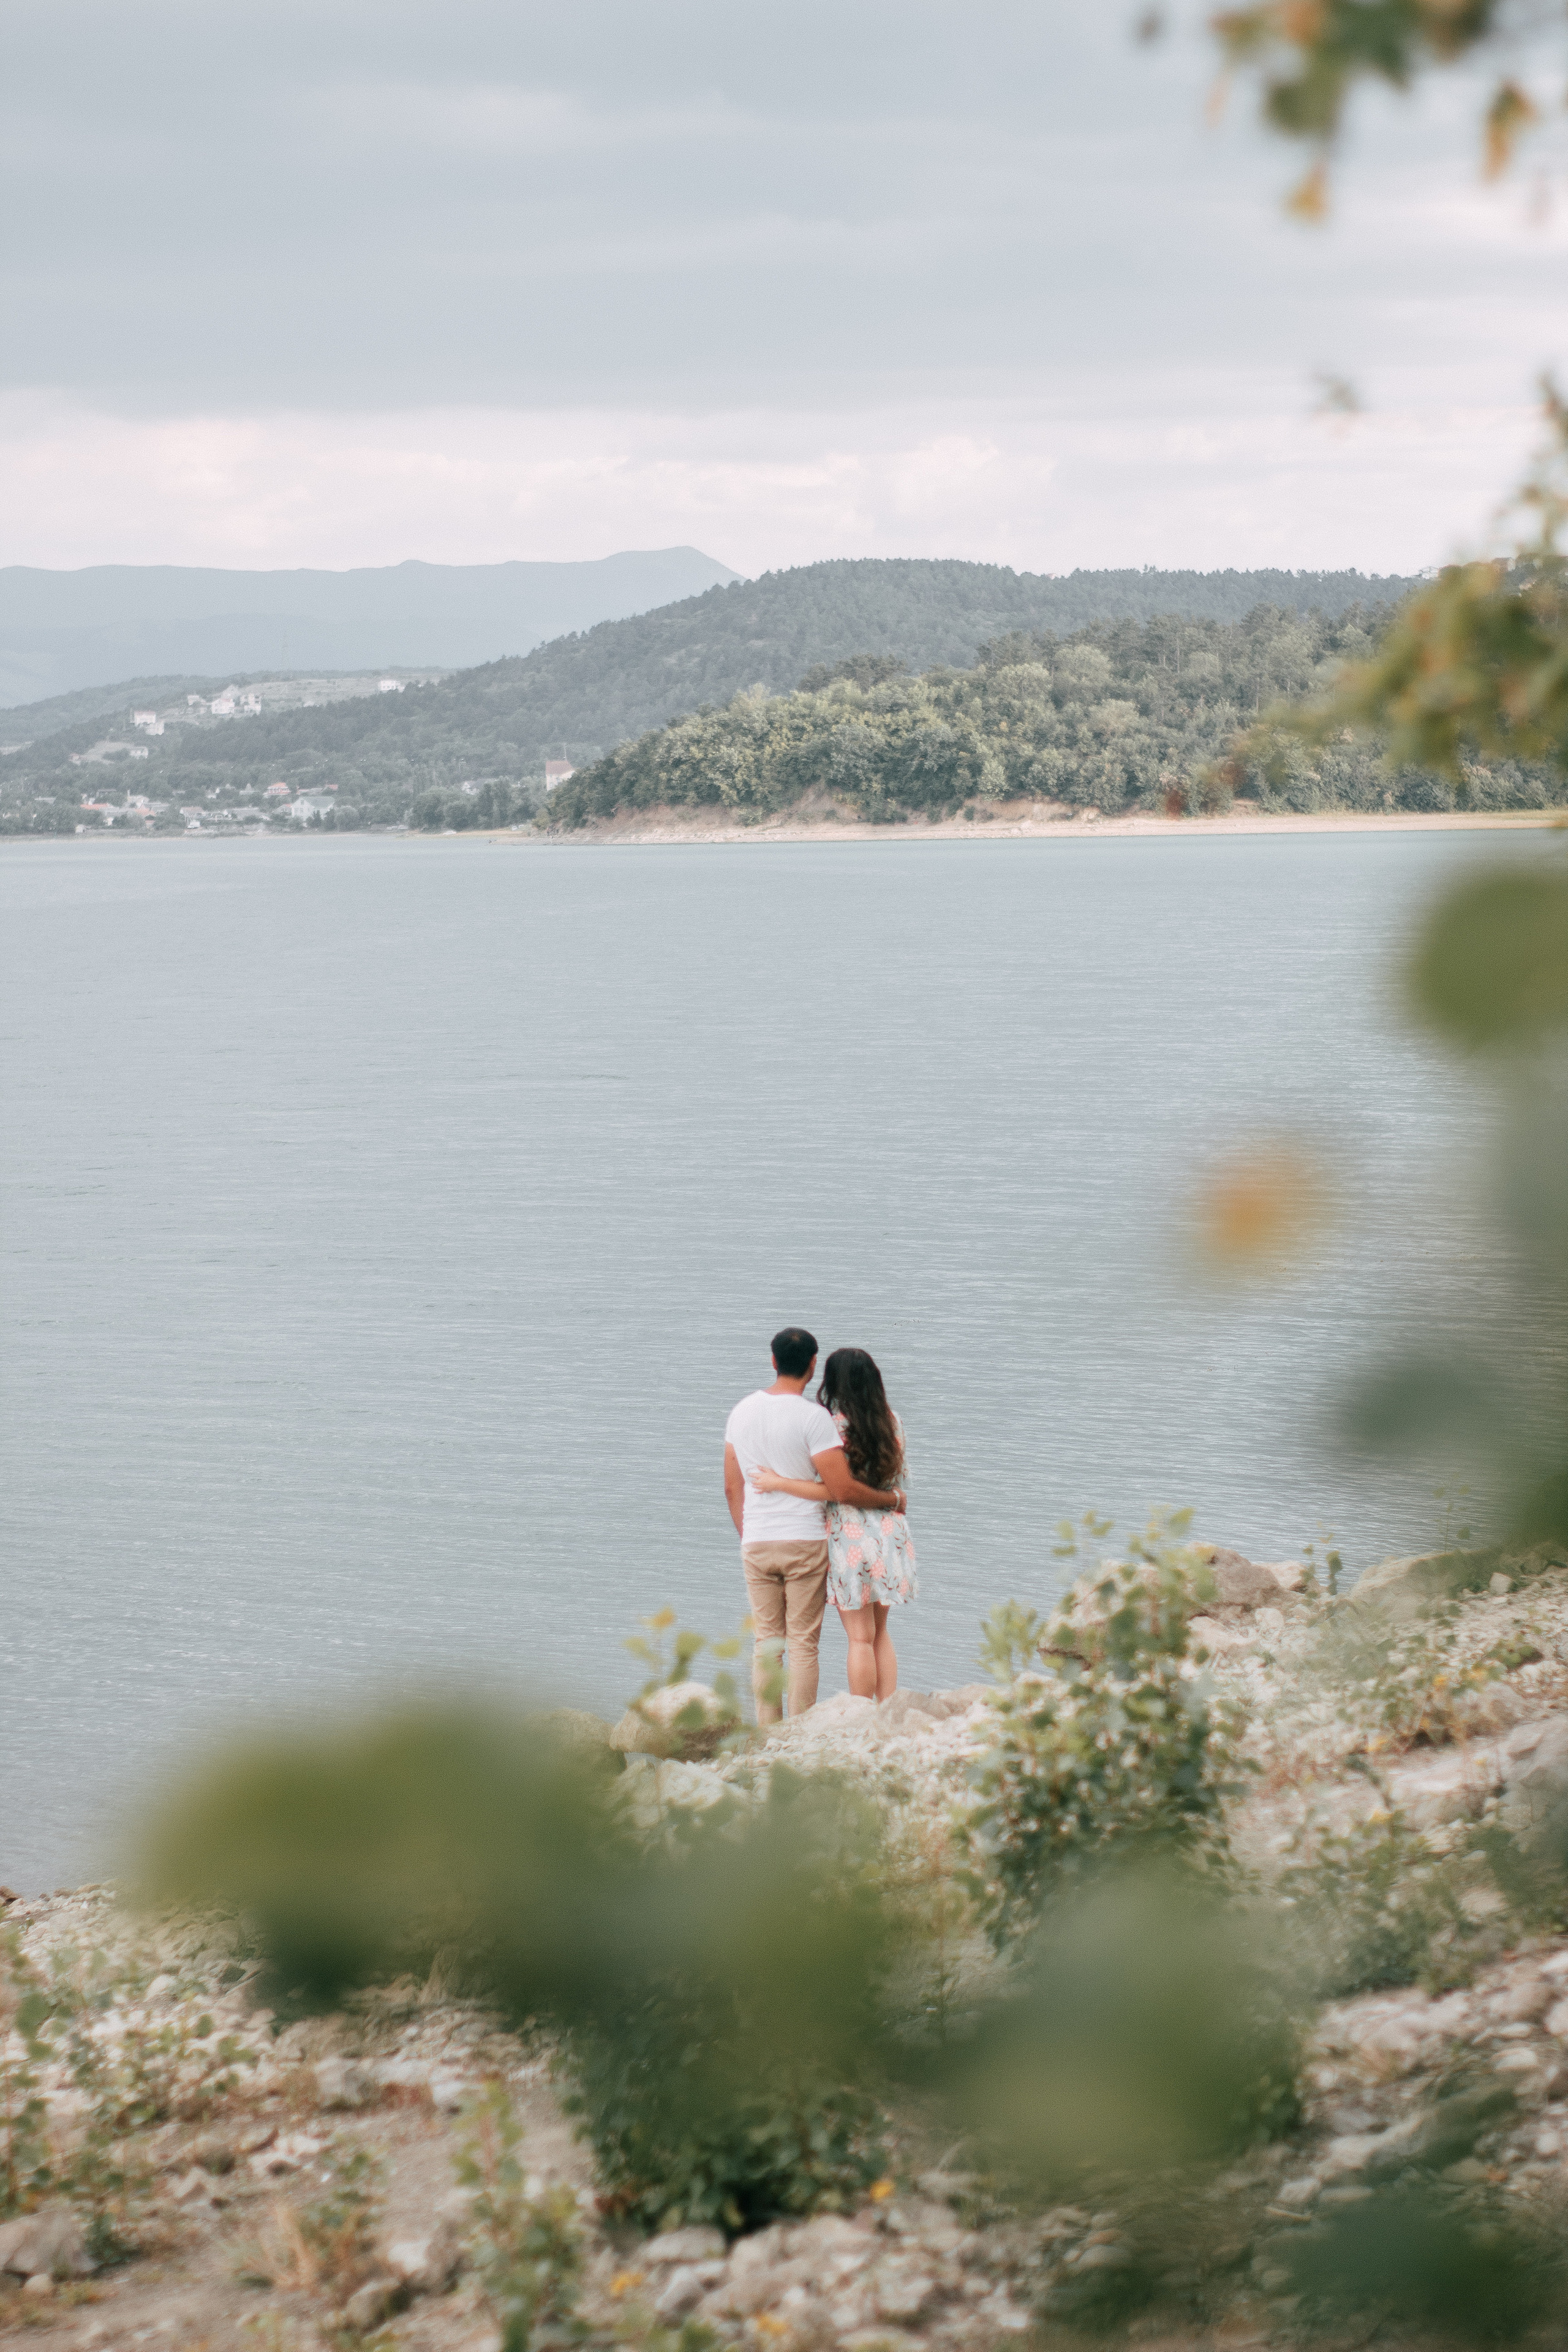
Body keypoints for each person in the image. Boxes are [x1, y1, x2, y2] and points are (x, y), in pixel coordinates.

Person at [723, 1327, 908, 1722]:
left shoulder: (755, 1414)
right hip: (859, 1538)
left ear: (773, 1361)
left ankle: (779, 1729)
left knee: (777, 1642)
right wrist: (893, 1500)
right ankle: (874, 1716)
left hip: (801, 1539)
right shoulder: (881, 1422)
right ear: (810, 1366)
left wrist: (761, 1511)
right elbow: (856, 1484)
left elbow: (734, 1486)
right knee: (848, 1638)